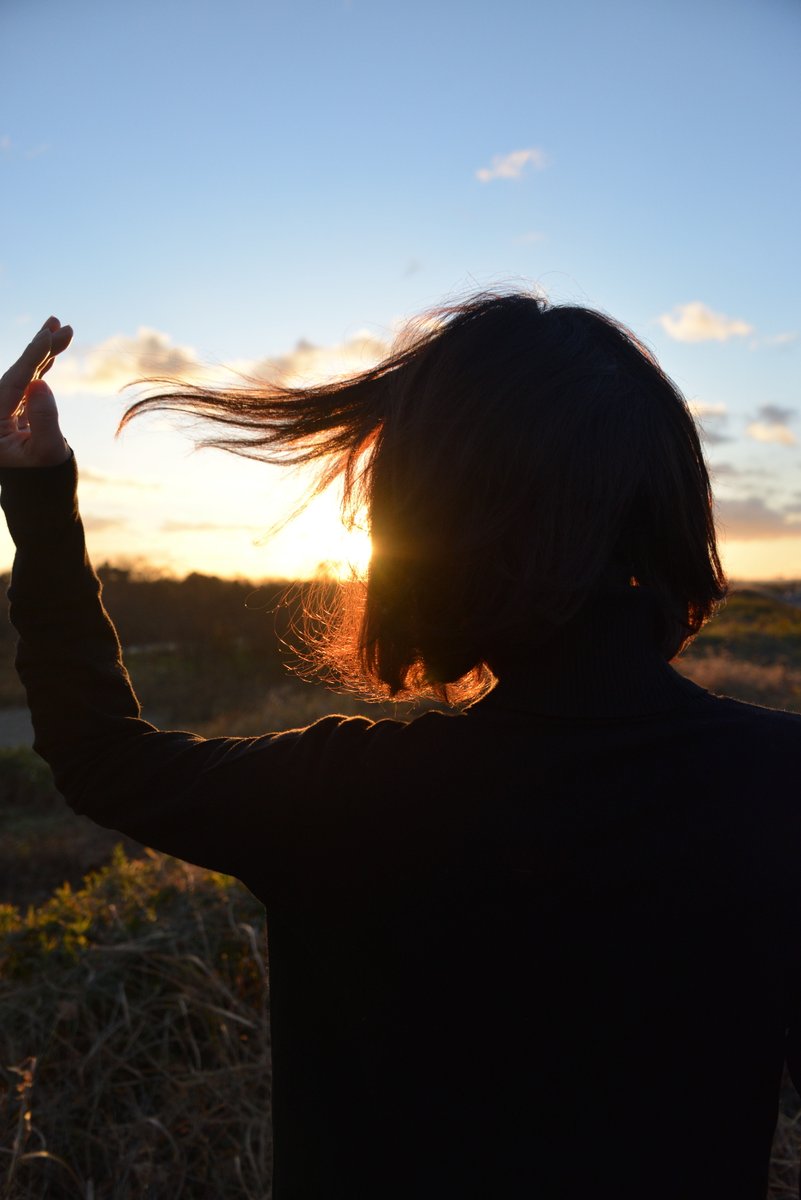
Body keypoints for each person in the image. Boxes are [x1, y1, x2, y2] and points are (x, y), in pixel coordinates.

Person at [0, 298, 799, 1199]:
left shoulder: (350, 797)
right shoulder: (780, 783)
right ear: (673, 508)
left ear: (428, 527)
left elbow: (101, 756)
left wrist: (36, 488)